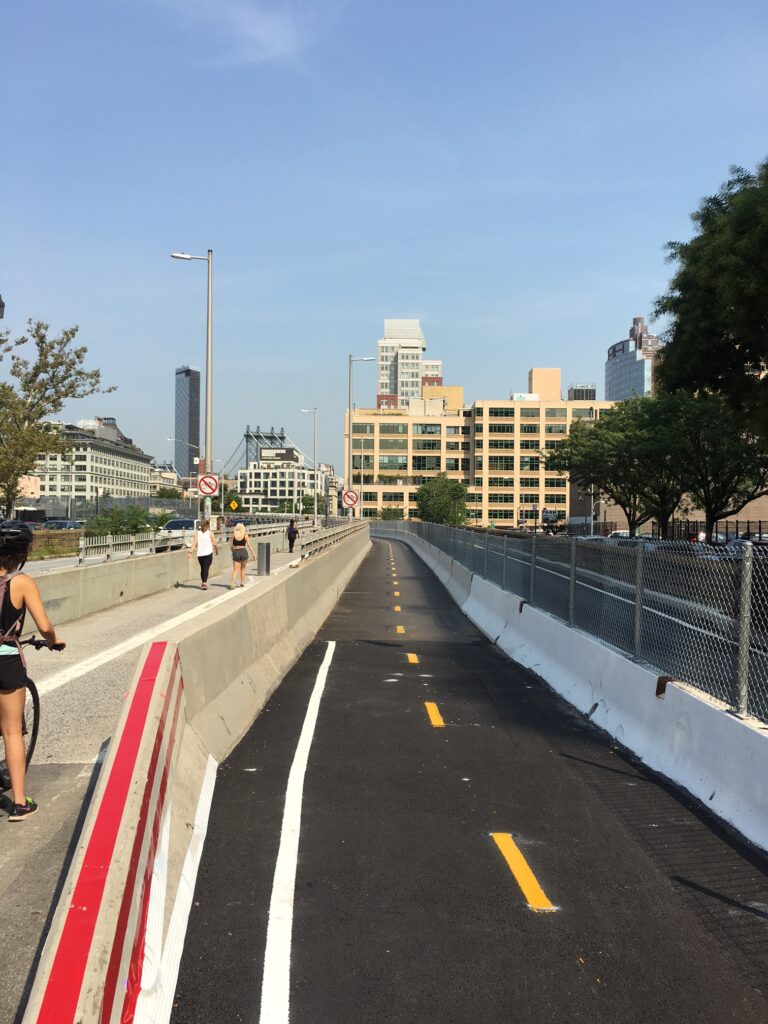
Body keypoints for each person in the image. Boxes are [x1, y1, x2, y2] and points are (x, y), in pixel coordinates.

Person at [0, 523, 65, 821]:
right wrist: (54, 640)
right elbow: (44, 625)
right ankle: (19, 803)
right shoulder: (22, 582)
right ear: (22, 553)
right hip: (6, 661)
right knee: (12, 731)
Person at [188, 519, 219, 590]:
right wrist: (190, 552)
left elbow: (214, 543)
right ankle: (203, 582)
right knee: (203, 569)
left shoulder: (210, 533)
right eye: (202, 526)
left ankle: (204, 583)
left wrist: (217, 550)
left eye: (205, 526)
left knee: (206, 567)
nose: (204, 527)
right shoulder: (197, 533)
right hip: (200, 554)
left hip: (208, 553)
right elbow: (194, 543)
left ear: (207, 526)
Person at [229, 523, 256, 588]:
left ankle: (233, 580)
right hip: (243, 551)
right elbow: (249, 545)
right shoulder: (245, 535)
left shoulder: (233, 535)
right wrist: (253, 554)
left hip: (236, 551)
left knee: (236, 569)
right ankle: (242, 582)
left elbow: (231, 546)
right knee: (243, 568)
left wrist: (233, 552)